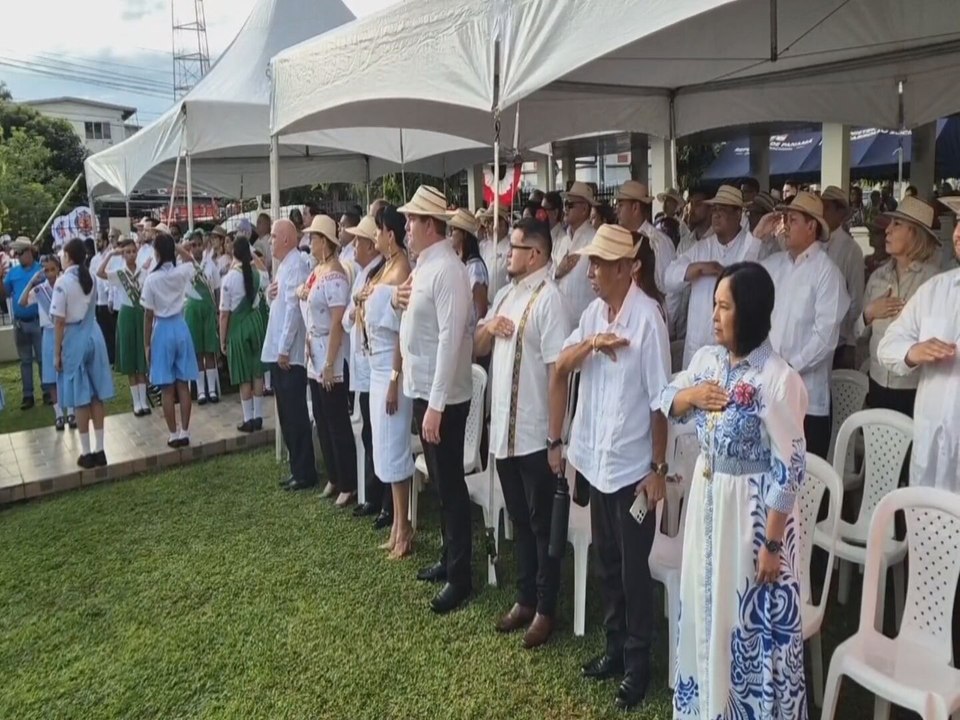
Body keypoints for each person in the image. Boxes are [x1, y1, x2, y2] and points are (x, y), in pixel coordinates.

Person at [660, 261, 809, 719]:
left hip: (751, 520)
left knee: (743, 624)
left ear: (750, 312)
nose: (715, 316)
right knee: (705, 608)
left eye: (724, 307)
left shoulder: (778, 379)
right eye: (715, 306)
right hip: (707, 508)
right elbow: (667, 397)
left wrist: (771, 545)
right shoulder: (707, 361)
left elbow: (792, 465)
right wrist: (693, 397)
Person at [551, 223, 670, 711]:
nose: (592, 272)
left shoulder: (648, 320)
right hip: (596, 462)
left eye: (600, 264)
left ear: (628, 268)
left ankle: (638, 663)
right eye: (591, 263)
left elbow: (661, 401)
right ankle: (615, 649)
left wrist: (658, 467)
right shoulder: (593, 313)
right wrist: (592, 345)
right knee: (606, 562)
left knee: (633, 572)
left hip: (630, 468)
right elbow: (562, 362)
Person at [474, 217, 572, 649]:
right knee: (520, 519)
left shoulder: (550, 301)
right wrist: (489, 328)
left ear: (535, 254)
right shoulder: (505, 295)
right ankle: (525, 597)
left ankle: (547, 607)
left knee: (541, 522)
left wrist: (556, 439)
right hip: (505, 432)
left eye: (514, 248)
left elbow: (558, 374)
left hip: (535, 433)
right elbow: (477, 346)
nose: (507, 254)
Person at [878, 196, 960, 666]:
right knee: (929, 548)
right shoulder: (938, 291)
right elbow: (891, 343)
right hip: (933, 447)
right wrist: (915, 352)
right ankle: (922, 652)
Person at [394, 185, 475, 614]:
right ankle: (449, 559)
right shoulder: (426, 265)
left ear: (429, 225)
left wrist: (438, 405)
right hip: (425, 388)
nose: (406, 227)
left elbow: (449, 339)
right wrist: (393, 297)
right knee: (442, 485)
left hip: (442, 396)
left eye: (411, 220)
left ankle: (461, 574)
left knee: (450, 486)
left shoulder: (448, 269)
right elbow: (407, 308)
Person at [763, 192, 849, 458]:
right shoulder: (775, 264)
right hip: (770, 394)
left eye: (793, 219)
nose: (785, 225)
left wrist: (787, 369)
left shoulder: (827, 272)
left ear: (812, 226)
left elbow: (825, 338)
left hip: (807, 401)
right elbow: (739, 276)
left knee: (805, 485)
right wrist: (757, 237)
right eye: (785, 218)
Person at [357, 207, 415, 557]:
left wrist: (394, 378)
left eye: (377, 232)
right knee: (382, 446)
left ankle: (404, 527)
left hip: (391, 368)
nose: (374, 238)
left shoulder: (402, 269)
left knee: (394, 447)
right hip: (376, 366)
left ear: (389, 234)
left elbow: (400, 333)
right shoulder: (383, 268)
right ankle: (397, 523)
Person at [857, 197, 943, 417]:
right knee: (875, 450)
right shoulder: (877, 277)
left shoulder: (932, 282)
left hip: (913, 388)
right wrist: (869, 314)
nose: (887, 231)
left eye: (896, 225)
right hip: (876, 382)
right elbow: (857, 334)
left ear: (914, 233)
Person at [665, 185, 762, 369]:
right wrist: (698, 268)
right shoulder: (702, 248)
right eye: (714, 209)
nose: (716, 215)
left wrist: (726, 273)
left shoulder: (751, 245)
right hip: (697, 350)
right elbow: (668, 278)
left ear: (738, 214)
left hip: (731, 352)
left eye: (723, 210)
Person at [300, 214, 358, 507]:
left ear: (324, 241)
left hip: (329, 352)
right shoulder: (319, 270)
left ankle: (348, 480)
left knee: (336, 419)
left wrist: (329, 362)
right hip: (315, 348)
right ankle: (334, 476)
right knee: (322, 417)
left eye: (313, 237)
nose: (310, 241)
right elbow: (304, 292)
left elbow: (337, 321)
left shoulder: (335, 274)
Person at [342, 216, 390, 526]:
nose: (354, 245)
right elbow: (347, 319)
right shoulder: (362, 275)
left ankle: (384, 500)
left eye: (359, 240)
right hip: (362, 365)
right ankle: (372, 494)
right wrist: (356, 305)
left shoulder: (381, 273)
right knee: (370, 433)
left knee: (378, 435)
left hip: (378, 367)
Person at [51, 238, 115, 468]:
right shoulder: (89, 278)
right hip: (94, 335)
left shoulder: (62, 282)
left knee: (80, 397)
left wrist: (57, 352)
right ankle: (100, 449)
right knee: (97, 395)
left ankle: (86, 452)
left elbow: (59, 321)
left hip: (75, 338)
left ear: (69, 256)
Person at [263, 219, 317, 490]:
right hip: (279, 350)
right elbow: (277, 302)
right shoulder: (284, 265)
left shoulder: (295, 264)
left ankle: (305, 470)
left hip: (290, 355)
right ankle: (298, 466)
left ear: (286, 239)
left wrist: (284, 348)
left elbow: (294, 311)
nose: (270, 240)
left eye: (273, 236)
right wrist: (268, 294)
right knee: (286, 413)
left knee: (294, 414)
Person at [140, 233, 200, 448]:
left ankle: (173, 433)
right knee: (183, 383)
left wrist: (146, 344)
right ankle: (185, 430)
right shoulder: (180, 272)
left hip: (163, 328)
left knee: (167, 387)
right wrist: (176, 247)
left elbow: (148, 315)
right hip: (180, 326)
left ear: (156, 253)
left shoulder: (152, 279)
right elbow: (191, 261)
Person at [614, 181, 679, 336]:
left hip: (651, 325)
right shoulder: (619, 239)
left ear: (635, 207)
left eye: (621, 205)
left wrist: (663, 329)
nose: (616, 210)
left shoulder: (657, 242)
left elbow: (671, 291)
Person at [219, 238, 268, 432]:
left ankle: (248, 419)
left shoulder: (229, 278)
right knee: (257, 372)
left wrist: (223, 339)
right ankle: (258, 416)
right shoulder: (258, 273)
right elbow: (265, 272)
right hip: (256, 325)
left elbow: (224, 314)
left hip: (238, 328)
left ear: (234, 253)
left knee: (243, 375)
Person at [98, 239, 151, 417]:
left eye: (133, 251)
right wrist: (111, 254)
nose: (130, 254)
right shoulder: (119, 273)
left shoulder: (144, 272)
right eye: (127, 251)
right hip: (126, 315)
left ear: (137, 252)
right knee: (130, 359)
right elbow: (100, 273)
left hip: (141, 315)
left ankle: (144, 401)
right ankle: (136, 402)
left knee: (141, 359)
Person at [20, 254, 72, 430]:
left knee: (67, 372)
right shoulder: (40, 290)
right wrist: (32, 282)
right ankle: (58, 414)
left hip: (65, 332)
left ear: (58, 268)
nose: (49, 273)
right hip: (48, 334)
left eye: (52, 269)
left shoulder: (64, 285)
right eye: (46, 270)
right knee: (51, 376)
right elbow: (21, 302)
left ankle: (71, 411)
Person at [820, 186, 866, 369]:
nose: (821, 213)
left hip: (839, 340)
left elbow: (856, 298)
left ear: (840, 213)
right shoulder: (813, 243)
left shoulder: (850, 249)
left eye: (826, 208)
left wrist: (850, 343)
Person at [3, 239, 45, 409]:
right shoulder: (12, 273)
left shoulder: (41, 271)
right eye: (17, 253)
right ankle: (28, 395)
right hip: (20, 323)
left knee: (42, 359)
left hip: (38, 321)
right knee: (25, 361)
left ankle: (48, 391)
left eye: (21, 253)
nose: (18, 256)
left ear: (29, 252)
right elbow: (4, 293)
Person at [553, 182, 599, 322]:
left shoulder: (595, 239)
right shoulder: (561, 240)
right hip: (560, 320)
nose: (565, 209)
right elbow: (549, 277)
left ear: (584, 209)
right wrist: (558, 272)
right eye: (565, 204)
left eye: (570, 205)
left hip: (586, 321)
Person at [184, 232, 221, 404]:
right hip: (192, 308)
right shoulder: (185, 264)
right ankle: (200, 391)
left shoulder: (210, 264)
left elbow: (217, 288)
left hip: (208, 307)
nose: (197, 248)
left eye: (199, 244)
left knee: (210, 350)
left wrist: (218, 309)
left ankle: (212, 389)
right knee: (197, 350)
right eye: (193, 245)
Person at [448, 208, 489, 328]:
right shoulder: (459, 261)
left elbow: (481, 309)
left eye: (454, 229)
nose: (450, 234)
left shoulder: (475, 266)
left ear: (464, 234)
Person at [91, 229, 118, 365]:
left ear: (105, 242)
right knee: (103, 331)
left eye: (100, 240)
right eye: (96, 240)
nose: (97, 243)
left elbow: (110, 279)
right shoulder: (94, 259)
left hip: (108, 299)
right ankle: (109, 357)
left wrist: (110, 298)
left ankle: (116, 357)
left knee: (113, 331)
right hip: (98, 300)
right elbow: (92, 279)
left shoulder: (111, 256)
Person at [478, 204, 510, 303]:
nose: (486, 226)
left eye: (490, 222)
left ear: (502, 224)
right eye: (486, 222)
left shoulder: (511, 248)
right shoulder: (483, 246)